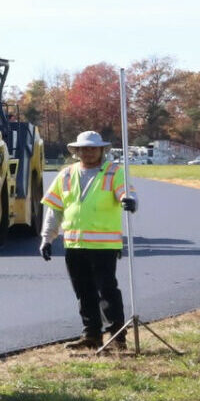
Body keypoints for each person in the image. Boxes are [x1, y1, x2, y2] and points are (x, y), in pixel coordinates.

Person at [40, 130, 138, 348]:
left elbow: (127, 194)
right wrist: (47, 238)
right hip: (74, 244)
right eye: (84, 148)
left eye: (93, 148)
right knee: (83, 292)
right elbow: (55, 209)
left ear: (102, 150)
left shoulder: (114, 172)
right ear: (77, 151)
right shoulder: (66, 174)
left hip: (104, 245)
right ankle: (91, 336)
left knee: (107, 291)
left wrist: (129, 201)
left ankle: (116, 337)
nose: (88, 152)